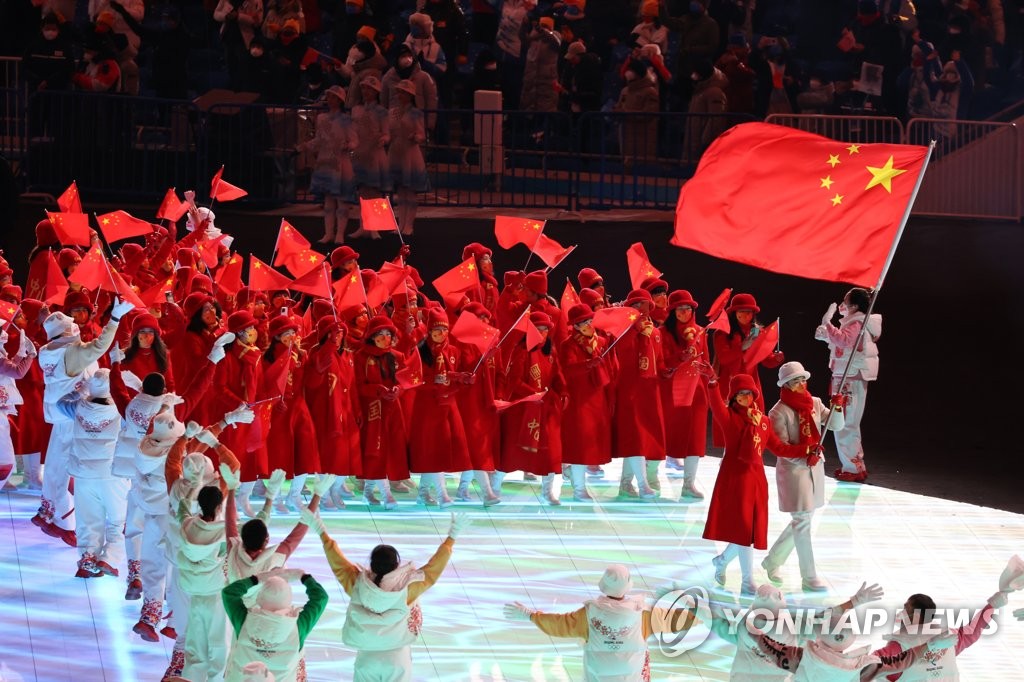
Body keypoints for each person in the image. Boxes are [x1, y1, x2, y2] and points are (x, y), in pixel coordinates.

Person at [305, 509, 469, 681]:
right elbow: (434, 569)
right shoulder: (409, 586)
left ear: (372, 564)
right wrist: (452, 537)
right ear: (396, 564)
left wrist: (321, 531)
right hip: (397, 657)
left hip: (366, 657)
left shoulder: (357, 584)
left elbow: (337, 562)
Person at [34, 296, 134, 546]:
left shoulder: (47, 351)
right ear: (67, 331)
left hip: (61, 415)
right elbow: (99, 346)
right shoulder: (71, 352)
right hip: (76, 417)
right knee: (76, 470)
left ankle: (55, 516)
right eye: (71, 324)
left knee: (56, 467)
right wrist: (114, 318)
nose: (76, 326)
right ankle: (69, 523)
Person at [702, 373, 815, 595]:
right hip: (734, 478)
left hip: (756, 480)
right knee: (744, 529)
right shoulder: (729, 418)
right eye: (740, 393)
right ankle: (747, 582)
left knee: (749, 531)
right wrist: (713, 383)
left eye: (749, 392)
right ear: (734, 397)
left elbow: (780, 448)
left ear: (755, 394)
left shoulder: (763, 421)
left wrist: (806, 449)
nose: (745, 396)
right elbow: (715, 405)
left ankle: (722, 561)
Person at [503, 564, 698, 681]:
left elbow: (559, 625)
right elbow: (678, 620)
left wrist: (529, 615)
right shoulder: (644, 614)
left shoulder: (589, 614)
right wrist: (696, 610)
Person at [761, 361, 845, 592]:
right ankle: (809, 577)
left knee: (802, 521)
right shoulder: (778, 411)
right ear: (786, 385)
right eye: (796, 381)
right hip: (794, 473)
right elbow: (781, 448)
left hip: (814, 469)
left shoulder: (815, 403)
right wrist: (804, 454)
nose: (801, 384)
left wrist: (837, 408)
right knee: (802, 523)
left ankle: (772, 561)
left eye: (802, 379)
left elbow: (836, 426)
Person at [814, 287, 881, 483]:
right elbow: (843, 345)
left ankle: (853, 467)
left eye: (846, 301)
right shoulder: (856, 323)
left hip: (850, 380)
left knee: (845, 424)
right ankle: (854, 466)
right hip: (848, 377)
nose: (842, 304)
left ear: (855, 305)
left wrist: (827, 324)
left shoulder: (857, 323)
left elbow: (844, 341)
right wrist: (827, 334)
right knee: (846, 423)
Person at [222, 568, 329, 681]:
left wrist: (258, 578)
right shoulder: (298, 626)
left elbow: (229, 593)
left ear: (260, 597)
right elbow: (321, 597)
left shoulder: (244, 619)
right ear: (289, 599)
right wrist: (303, 577)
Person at [711, 292, 784, 447]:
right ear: (734, 313)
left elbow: (764, 358)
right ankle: (728, 457)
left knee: (752, 421)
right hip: (729, 383)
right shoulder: (723, 333)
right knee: (730, 422)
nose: (746, 315)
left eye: (749, 312)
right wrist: (742, 347)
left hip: (751, 383)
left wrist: (775, 358)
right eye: (741, 311)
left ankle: (751, 454)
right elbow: (724, 358)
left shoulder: (757, 332)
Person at [558, 303, 612, 501]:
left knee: (590, 443)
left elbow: (611, 370)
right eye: (583, 323)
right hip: (579, 400)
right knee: (579, 445)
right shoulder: (568, 345)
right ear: (575, 326)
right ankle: (579, 488)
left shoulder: (603, 342)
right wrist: (588, 364)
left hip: (596, 398)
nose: (588, 325)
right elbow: (568, 370)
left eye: (590, 321)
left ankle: (575, 477)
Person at [659, 290, 709, 499]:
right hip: (671, 390)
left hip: (696, 391)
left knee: (695, 438)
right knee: (664, 435)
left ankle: (688, 484)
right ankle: (650, 479)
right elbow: (662, 363)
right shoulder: (663, 333)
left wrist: (709, 381)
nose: (685, 312)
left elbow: (705, 359)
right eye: (680, 309)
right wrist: (681, 356)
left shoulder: (700, 331)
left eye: (689, 309)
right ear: (673, 311)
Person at [299, 85, 358, 244]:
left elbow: (354, 140)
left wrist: (348, 145)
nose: (330, 99)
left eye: (333, 97)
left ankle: (340, 233)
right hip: (326, 163)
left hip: (341, 163)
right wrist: (305, 146)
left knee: (341, 201)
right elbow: (319, 140)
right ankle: (328, 233)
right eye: (329, 96)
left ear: (339, 100)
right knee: (328, 201)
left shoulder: (346, 120)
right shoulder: (322, 118)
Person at [387, 79, 429, 236]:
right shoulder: (392, 112)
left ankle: (409, 224)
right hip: (396, 152)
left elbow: (421, 134)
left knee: (410, 191)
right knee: (401, 191)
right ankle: (400, 223)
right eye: (399, 92)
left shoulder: (415, 113)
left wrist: (415, 137)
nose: (400, 95)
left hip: (410, 154)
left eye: (404, 92)